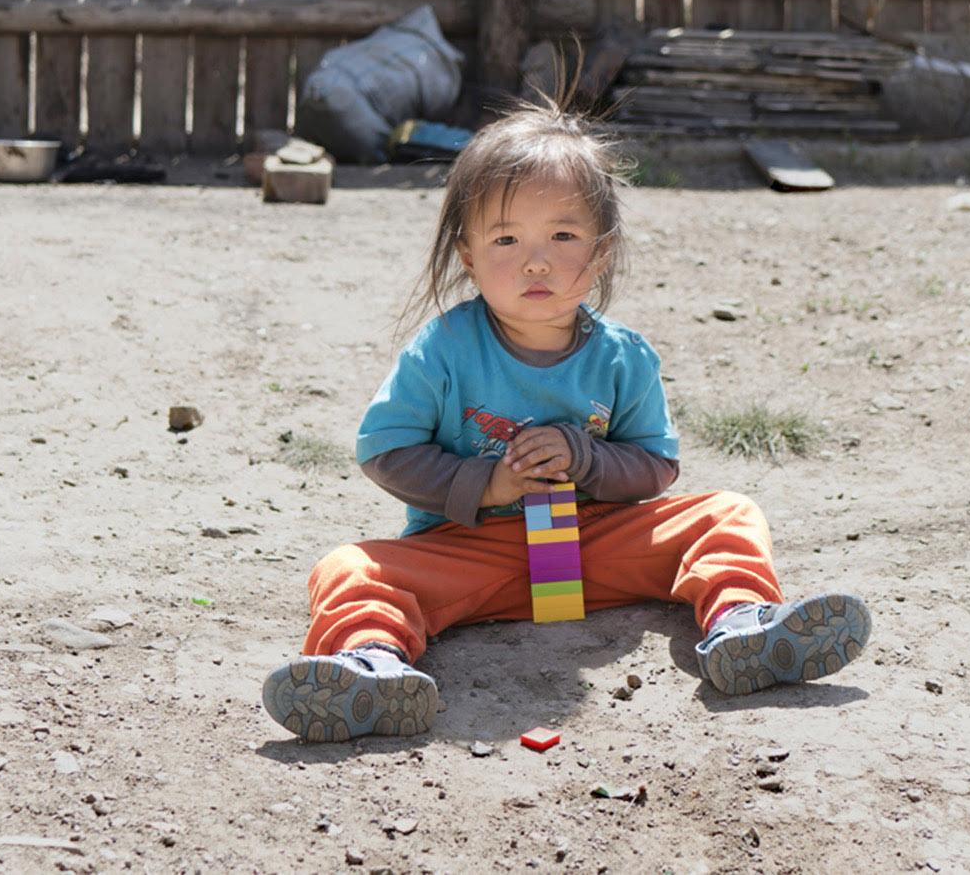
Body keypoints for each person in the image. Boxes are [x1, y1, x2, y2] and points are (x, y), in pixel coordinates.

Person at [261, 99, 870, 742]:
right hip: (475, 553)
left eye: (563, 235)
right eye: (505, 238)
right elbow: (385, 450)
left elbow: (655, 464)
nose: (535, 261)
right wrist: (488, 486)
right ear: (467, 255)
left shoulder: (623, 356)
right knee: (348, 566)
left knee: (728, 514)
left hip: (596, 544)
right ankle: (370, 666)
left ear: (601, 253)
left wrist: (587, 460)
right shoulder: (441, 349)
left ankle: (744, 626)